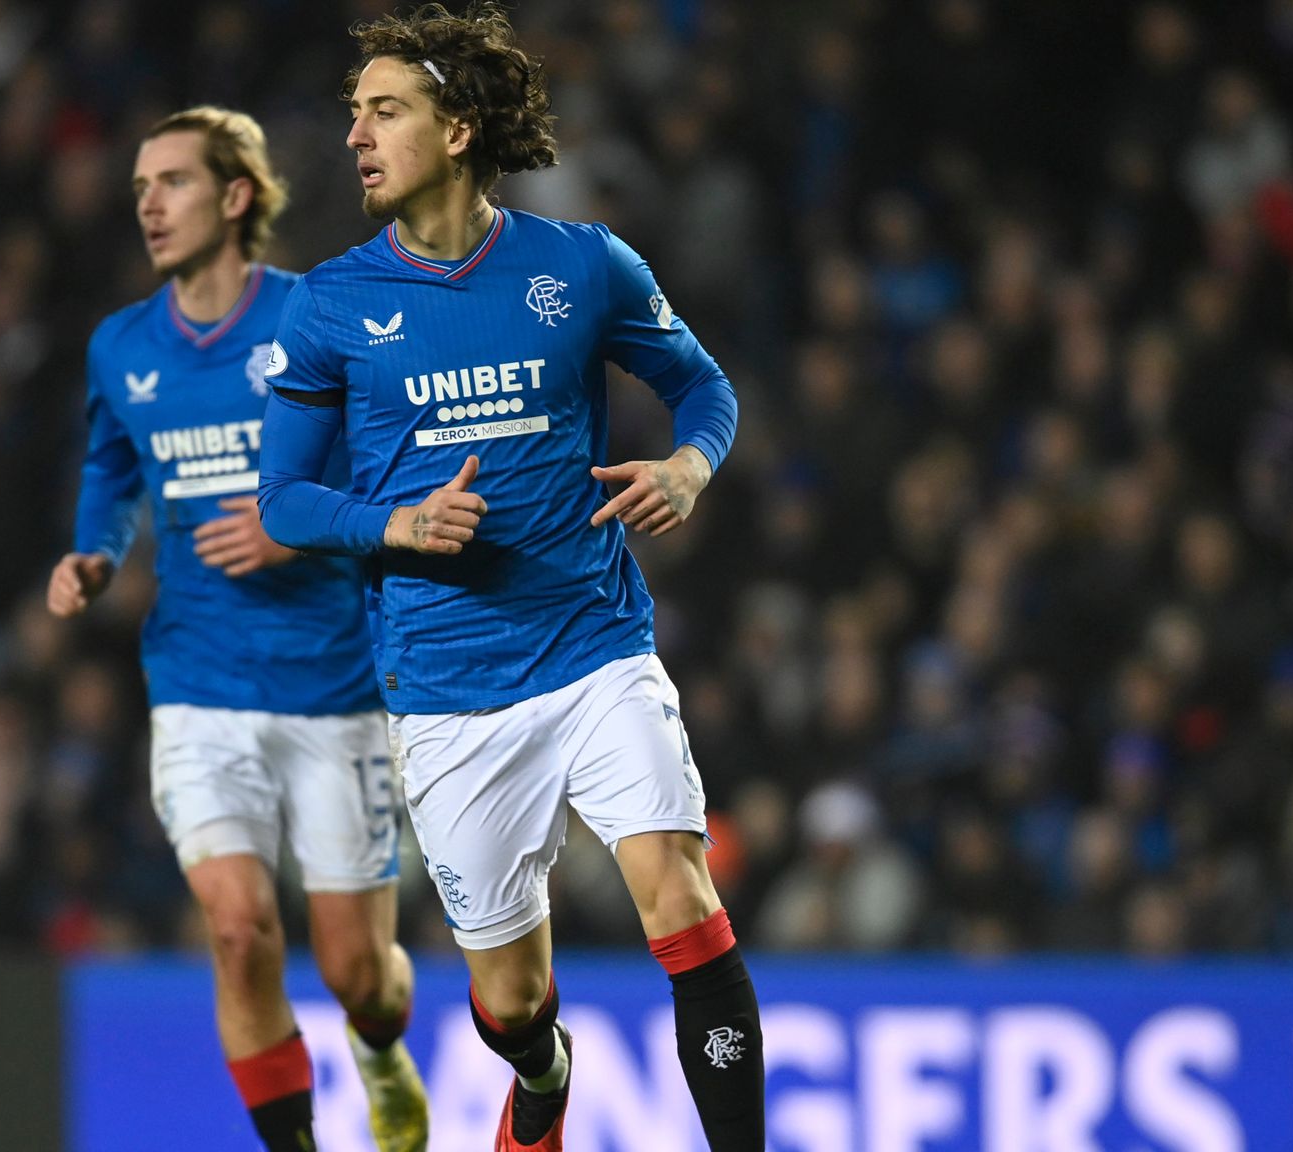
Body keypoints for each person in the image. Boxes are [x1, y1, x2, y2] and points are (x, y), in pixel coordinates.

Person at [256, 7, 765, 1148]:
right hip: (445, 689)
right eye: (353, 115)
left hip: (594, 645)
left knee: (680, 898)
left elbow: (705, 392)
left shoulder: (580, 264)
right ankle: (541, 1076)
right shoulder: (328, 304)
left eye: (382, 110)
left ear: (457, 127)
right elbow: (282, 499)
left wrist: (688, 467)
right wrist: (397, 523)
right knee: (512, 1003)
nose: (355, 136)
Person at [47, 106, 428, 1152]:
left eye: (169, 182)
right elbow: (110, 466)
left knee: (359, 975)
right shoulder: (121, 346)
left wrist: (295, 532)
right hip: (197, 685)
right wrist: (95, 552)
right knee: (236, 927)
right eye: (137, 189)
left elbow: (394, 476)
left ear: (235, 195)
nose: (148, 207)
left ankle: (382, 1048)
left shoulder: (319, 318)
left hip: (332, 688)